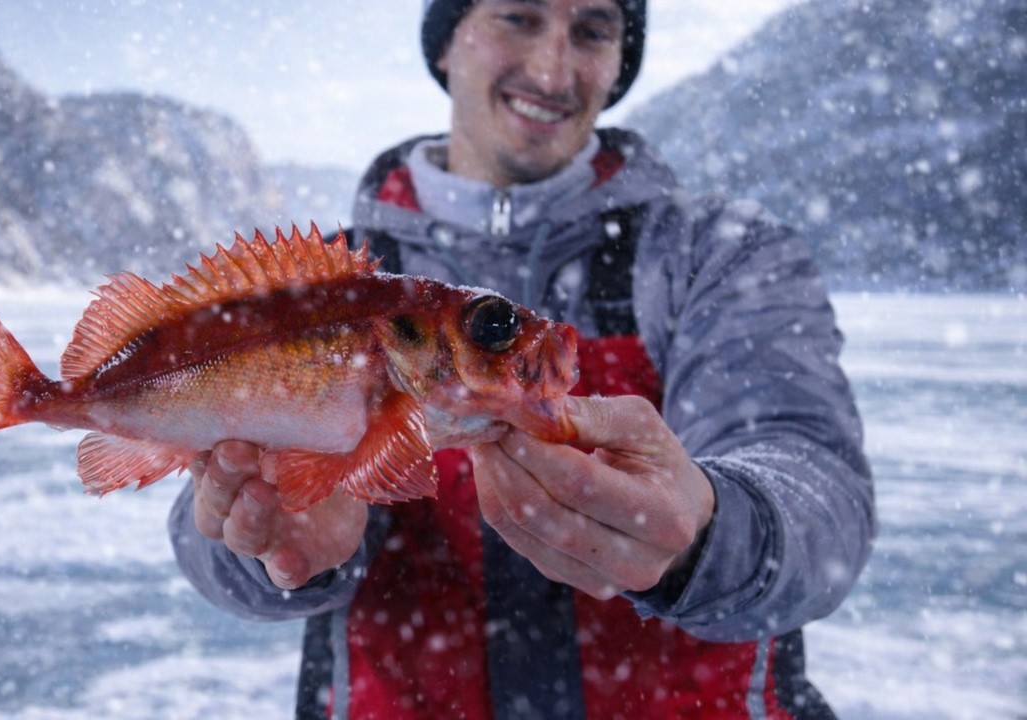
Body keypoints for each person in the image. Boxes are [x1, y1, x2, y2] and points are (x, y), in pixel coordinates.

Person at [168, 0, 876, 717]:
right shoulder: (323, 285)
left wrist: (708, 530)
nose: (551, 68)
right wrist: (261, 542)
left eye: (593, 29)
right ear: (446, 43)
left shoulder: (718, 255)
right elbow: (199, 501)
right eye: (517, 17)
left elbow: (816, 488)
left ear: (620, 60)